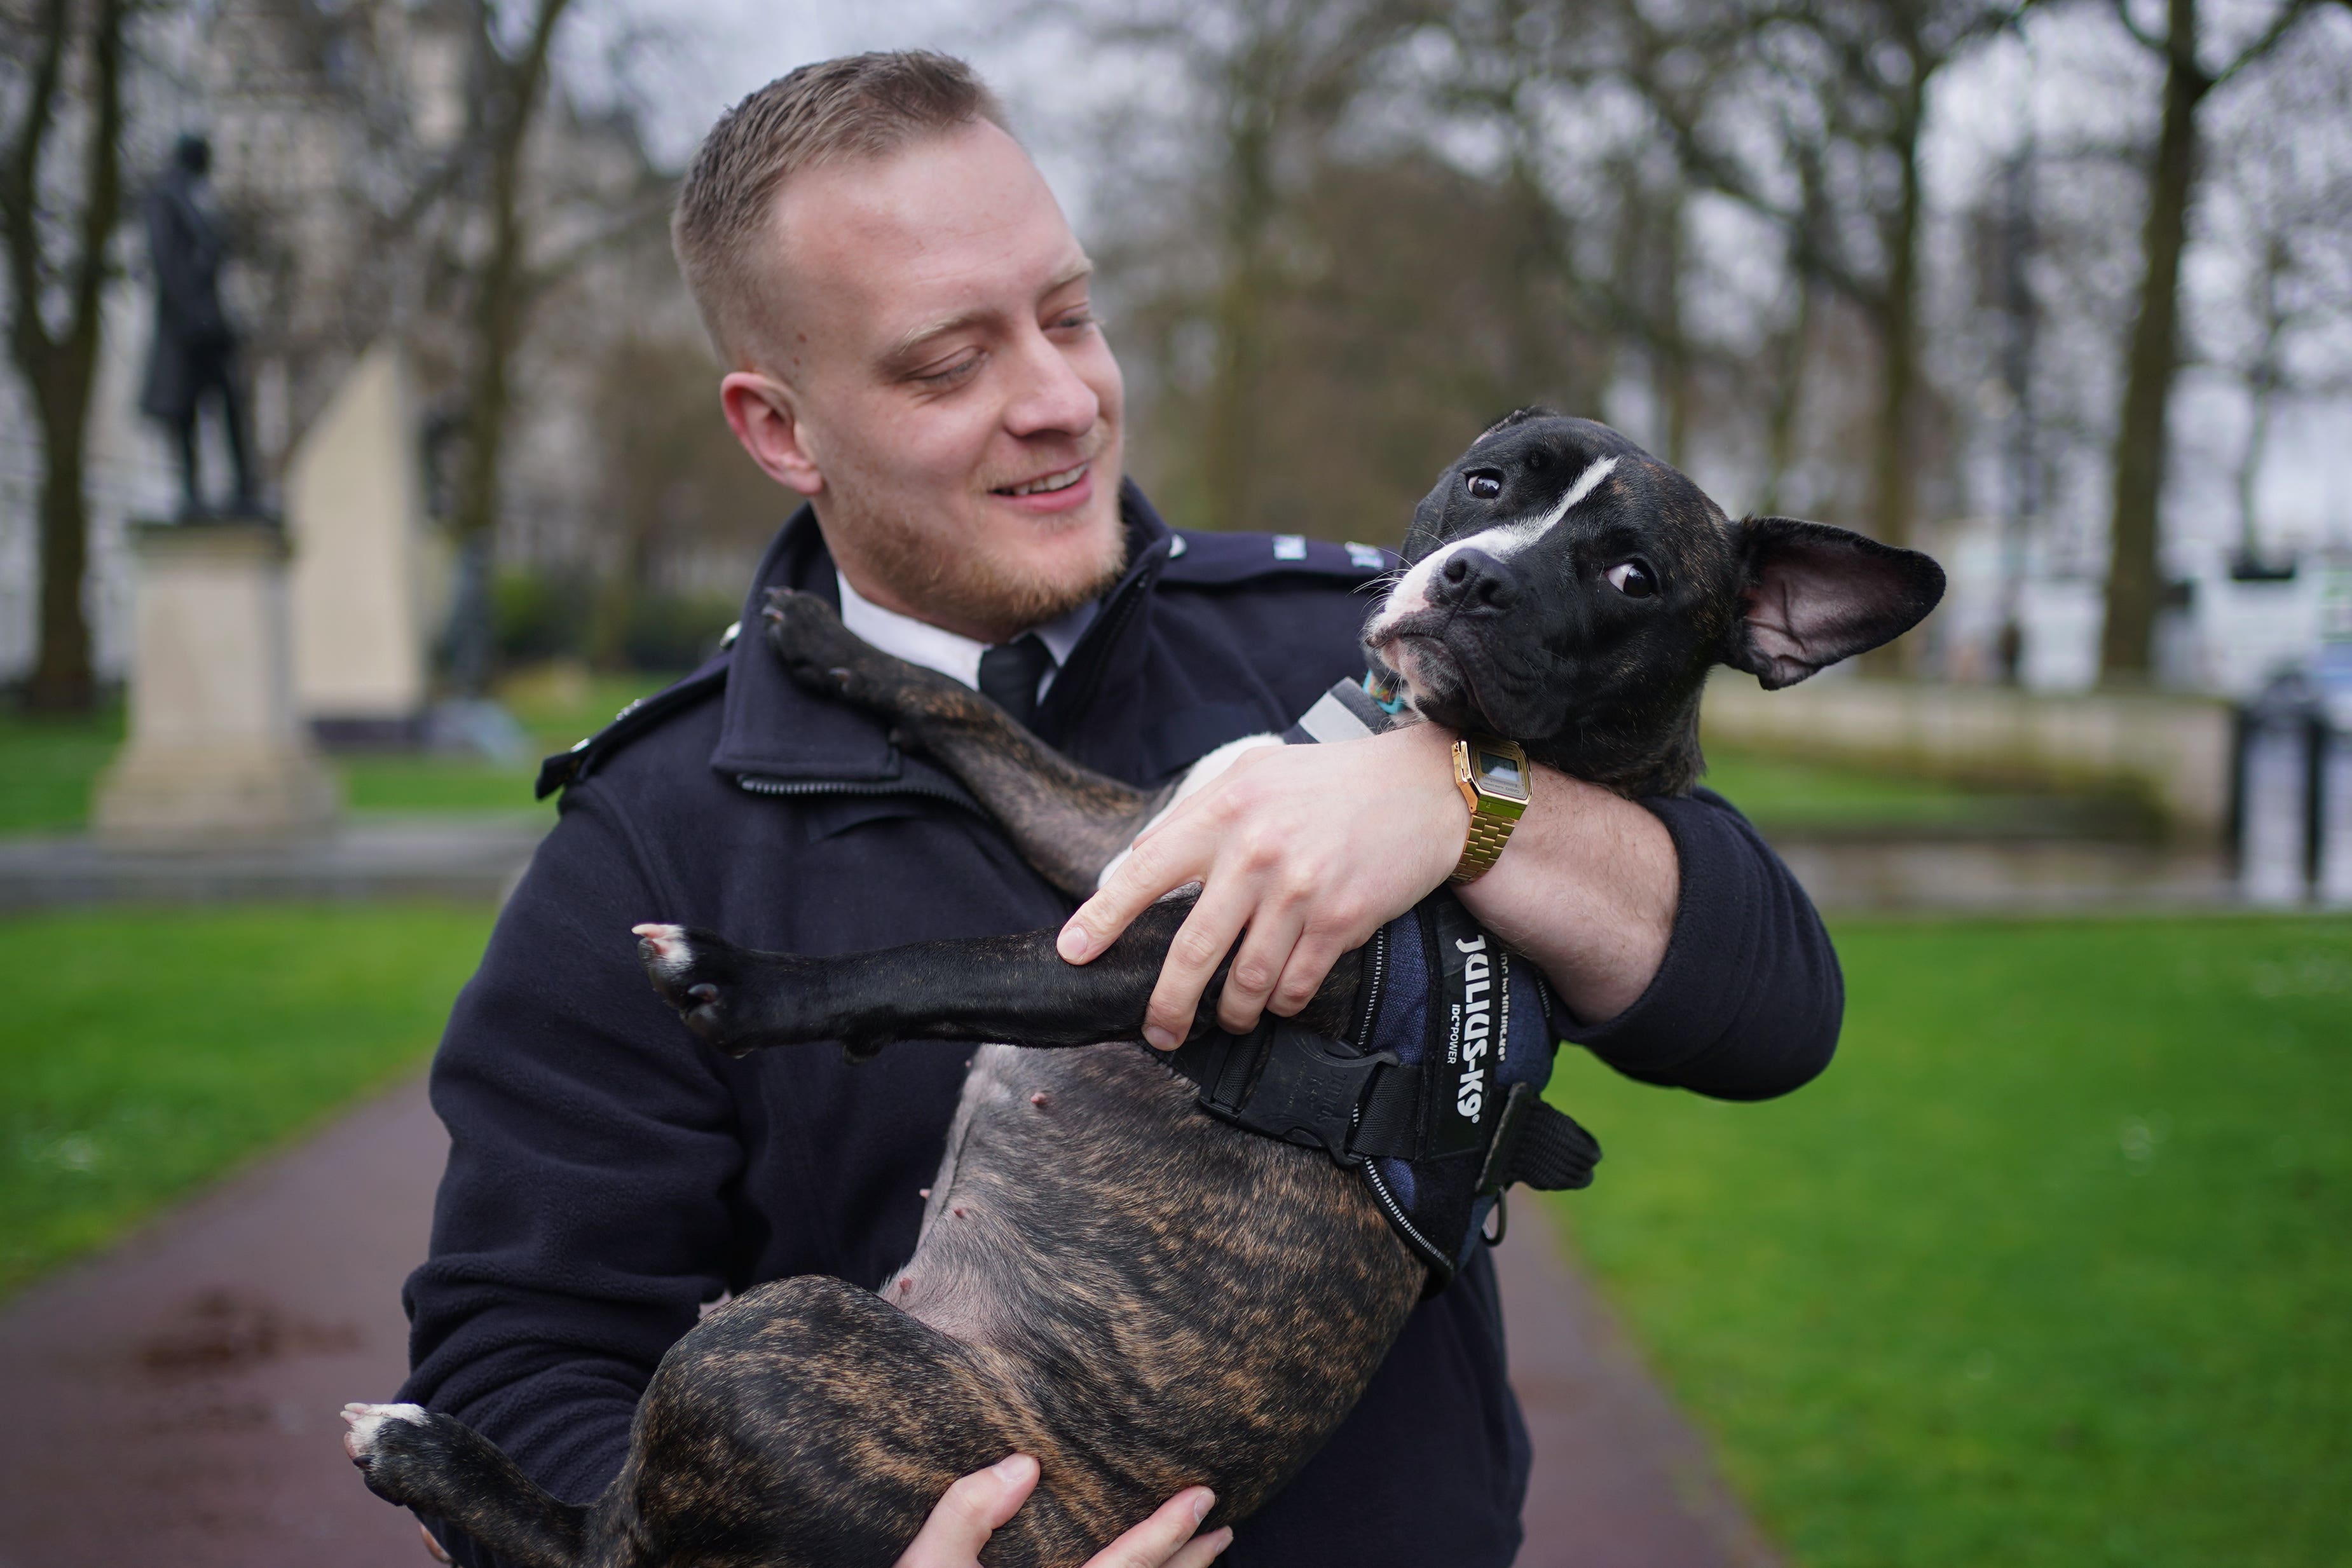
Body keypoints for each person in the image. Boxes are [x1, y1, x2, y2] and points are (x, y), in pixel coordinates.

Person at [398, 51, 1843, 1568]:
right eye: (948, 363)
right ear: (779, 428)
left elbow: (1775, 1009)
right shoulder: (647, 824)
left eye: (1071, 314)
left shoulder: (1360, 641)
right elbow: (516, 1354)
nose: (1058, 399)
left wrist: (1470, 806)